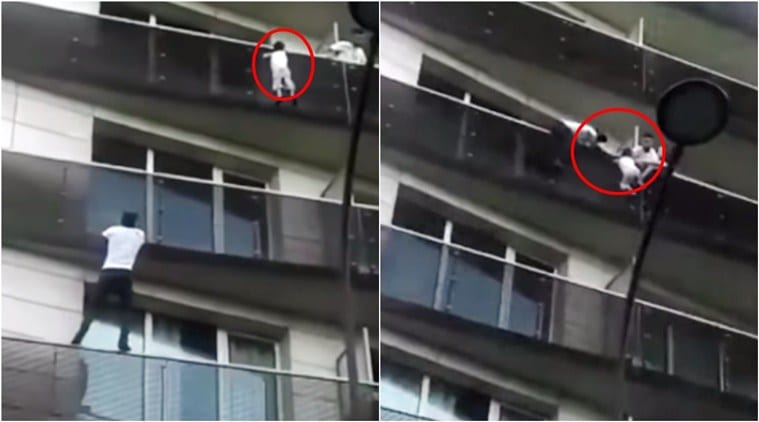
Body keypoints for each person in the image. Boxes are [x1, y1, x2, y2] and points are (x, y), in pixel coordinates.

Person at [71, 212, 145, 352]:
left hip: (109, 272)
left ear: (122, 220)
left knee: (94, 305)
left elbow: (102, 239)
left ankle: (79, 336)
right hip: (125, 273)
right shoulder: (139, 234)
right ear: (134, 222)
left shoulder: (113, 230)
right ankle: (123, 341)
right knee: (126, 310)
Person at [263, 41, 297, 105]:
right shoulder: (282, 53)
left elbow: (264, 56)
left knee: (277, 85)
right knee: (288, 81)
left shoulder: (273, 54)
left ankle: (281, 95)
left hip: (277, 71)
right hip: (284, 69)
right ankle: (291, 94)